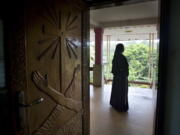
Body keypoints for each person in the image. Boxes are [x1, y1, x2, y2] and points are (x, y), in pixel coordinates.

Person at [110, 43, 129, 112]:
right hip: (122, 78)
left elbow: (113, 70)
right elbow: (126, 69)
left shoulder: (115, 57)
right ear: (121, 49)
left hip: (116, 78)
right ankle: (121, 106)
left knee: (116, 91)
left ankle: (115, 104)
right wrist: (125, 75)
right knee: (122, 92)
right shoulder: (123, 57)